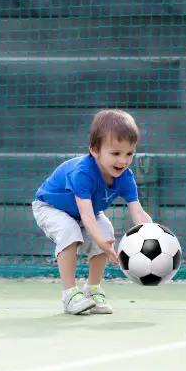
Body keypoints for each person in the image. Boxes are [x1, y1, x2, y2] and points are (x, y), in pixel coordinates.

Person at [32, 109, 153, 315]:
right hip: (50, 207)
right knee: (70, 231)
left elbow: (138, 211)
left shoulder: (125, 176)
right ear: (94, 151)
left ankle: (92, 290)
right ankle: (70, 295)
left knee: (105, 230)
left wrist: (152, 235)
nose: (123, 161)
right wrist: (101, 243)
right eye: (115, 153)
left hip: (81, 213)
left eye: (129, 154)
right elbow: (87, 215)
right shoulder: (82, 173)